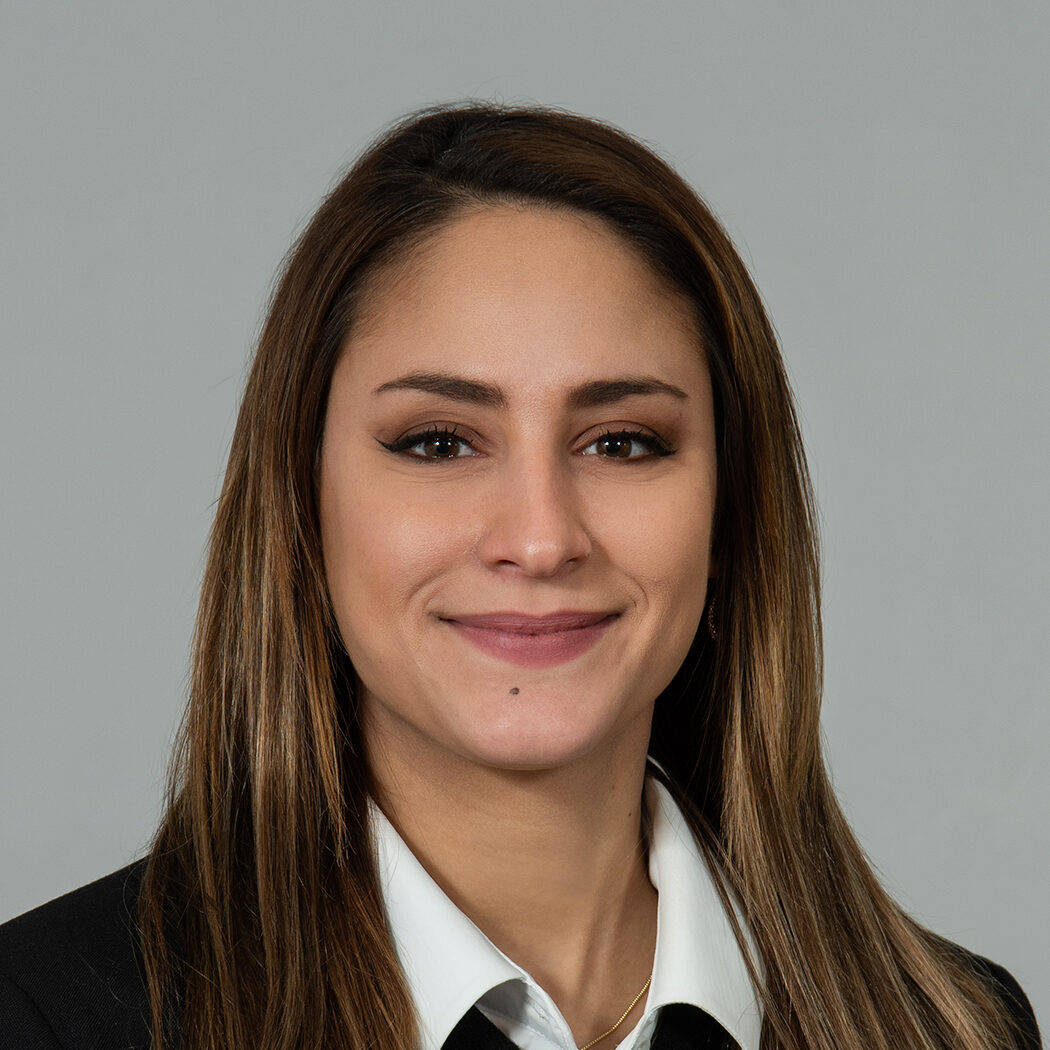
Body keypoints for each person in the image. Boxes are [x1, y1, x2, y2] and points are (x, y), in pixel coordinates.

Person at [0, 103, 1040, 1050]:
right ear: (302, 504)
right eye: (439, 443)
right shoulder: (45, 1016)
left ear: (729, 509)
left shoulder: (956, 1025)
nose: (541, 541)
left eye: (623, 442)